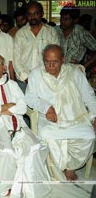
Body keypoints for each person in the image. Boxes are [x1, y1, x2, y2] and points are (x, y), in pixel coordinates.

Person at [0, 54, 50, 197]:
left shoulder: (13, 85)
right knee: (7, 151)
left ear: (5, 68)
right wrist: (9, 105)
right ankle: (3, 188)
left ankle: (30, 188)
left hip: (17, 122)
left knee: (35, 146)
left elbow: (22, 108)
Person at [25, 44, 96, 181]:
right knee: (47, 135)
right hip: (49, 119)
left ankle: (71, 166)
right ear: (43, 60)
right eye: (47, 61)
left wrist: (95, 116)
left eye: (55, 61)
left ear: (63, 60)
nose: (51, 65)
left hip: (74, 116)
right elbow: (30, 97)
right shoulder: (35, 74)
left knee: (90, 136)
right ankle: (58, 168)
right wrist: (46, 107)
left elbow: (88, 95)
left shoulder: (74, 72)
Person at [13, 1, 59, 93]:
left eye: (36, 14)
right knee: (24, 106)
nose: (32, 17)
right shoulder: (20, 34)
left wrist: (46, 77)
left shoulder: (51, 32)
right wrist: (26, 78)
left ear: (42, 14)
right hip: (24, 82)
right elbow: (16, 59)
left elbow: (55, 57)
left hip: (46, 81)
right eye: (30, 14)